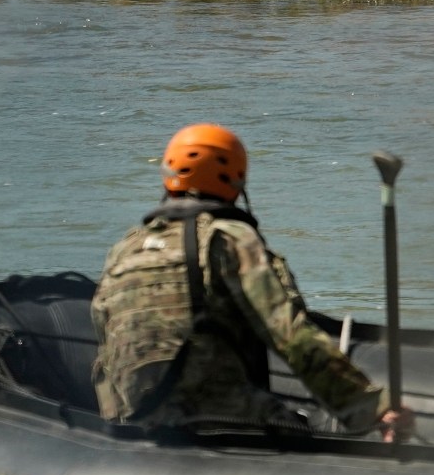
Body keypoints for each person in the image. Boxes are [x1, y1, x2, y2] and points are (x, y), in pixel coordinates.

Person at [93, 124, 409, 439]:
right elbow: (290, 334)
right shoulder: (229, 239)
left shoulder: (124, 249)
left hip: (136, 421)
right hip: (215, 414)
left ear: (168, 176)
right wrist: (372, 407)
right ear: (236, 181)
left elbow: (106, 349)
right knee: (298, 432)